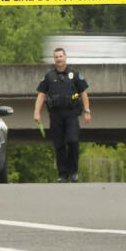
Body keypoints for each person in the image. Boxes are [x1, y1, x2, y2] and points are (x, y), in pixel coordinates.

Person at [33, 47, 90, 182]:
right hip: (56, 115)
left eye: (61, 56)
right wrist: (37, 112)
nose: (59, 59)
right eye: (56, 57)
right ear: (54, 59)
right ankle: (62, 174)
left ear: (65, 58)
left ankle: (74, 171)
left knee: (72, 141)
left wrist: (87, 111)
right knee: (59, 145)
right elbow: (41, 95)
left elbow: (83, 93)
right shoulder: (49, 76)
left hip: (71, 114)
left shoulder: (74, 74)